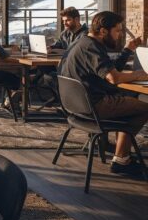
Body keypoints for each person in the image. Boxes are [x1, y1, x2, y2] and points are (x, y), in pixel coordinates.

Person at [58, 11, 148, 177]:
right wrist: (139, 75)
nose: (119, 35)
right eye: (117, 31)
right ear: (104, 31)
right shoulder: (91, 47)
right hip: (94, 106)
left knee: (131, 103)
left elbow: (109, 69)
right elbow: (113, 78)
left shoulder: (84, 42)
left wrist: (128, 49)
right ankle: (121, 159)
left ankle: (122, 157)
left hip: (75, 107)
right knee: (144, 108)